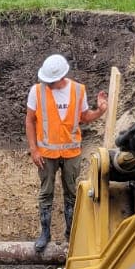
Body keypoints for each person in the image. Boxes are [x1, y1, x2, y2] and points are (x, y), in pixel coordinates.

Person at [26, 54, 108, 253]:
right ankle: (45, 234)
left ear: (60, 77)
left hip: (72, 153)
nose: (46, 83)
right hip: (46, 154)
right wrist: (34, 150)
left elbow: (84, 117)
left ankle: (71, 234)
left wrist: (99, 111)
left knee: (71, 194)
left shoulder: (78, 90)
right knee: (46, 193)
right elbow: (30, 120)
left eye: (50, 81)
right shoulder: (36, 91)